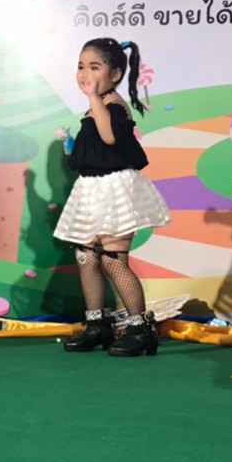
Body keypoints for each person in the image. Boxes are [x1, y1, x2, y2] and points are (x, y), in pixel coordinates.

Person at [55, 38, 171, 358]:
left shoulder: (115, 105)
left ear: (116, 74)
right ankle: (97, 325)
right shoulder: (96, 104)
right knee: (86, 257)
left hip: (115, 189)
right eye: (81, 66)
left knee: (112, 259)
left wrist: (94, 97)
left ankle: (140, 328)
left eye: (94, 67)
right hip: (90, 188)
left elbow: (109, 137)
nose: (85, 74)